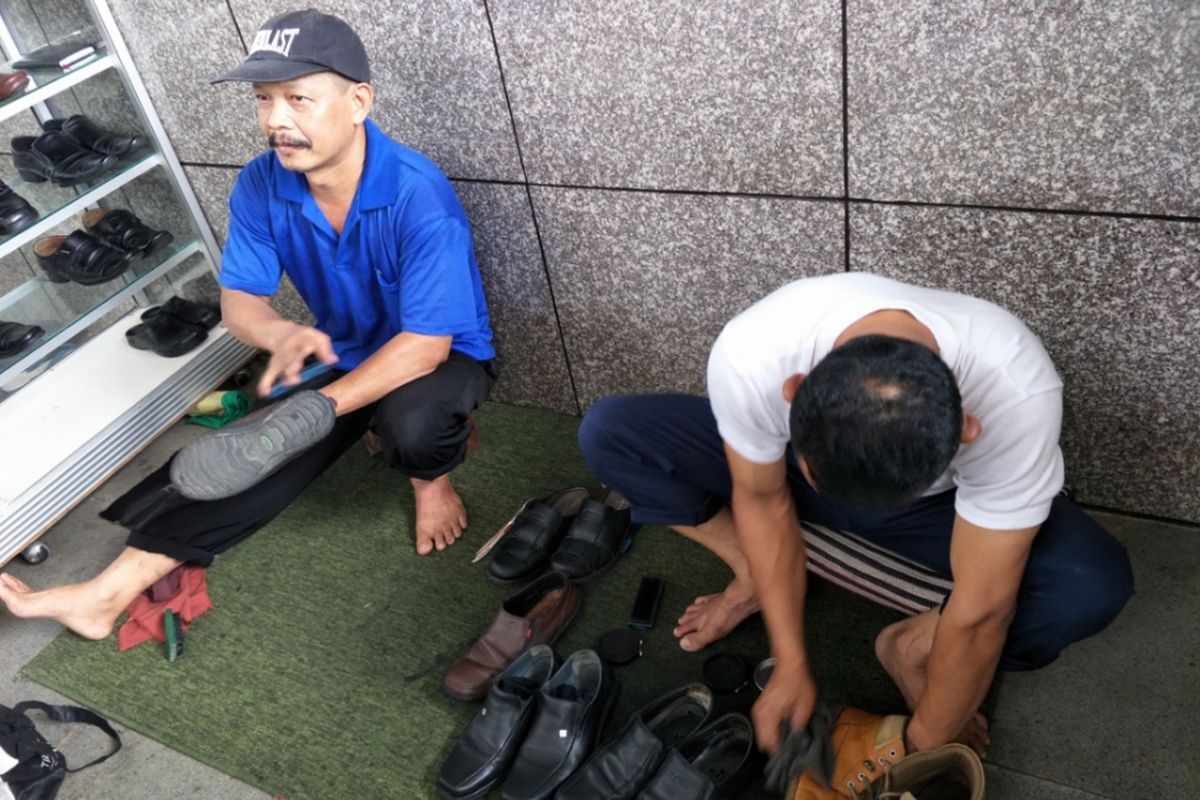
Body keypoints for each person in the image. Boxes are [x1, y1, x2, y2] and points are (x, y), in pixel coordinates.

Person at [0, 9, 496, 639]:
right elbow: (240, 304)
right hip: (340, 348)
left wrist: (314, 413)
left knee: (413, 422)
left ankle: (432, 482)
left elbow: (426, 345)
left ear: (358, 102)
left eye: (299, 99)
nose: (276, 121)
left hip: (440, 353)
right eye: (264, 100)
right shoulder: (262, 184)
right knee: (241, 454)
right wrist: (279, 335)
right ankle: (103, 596)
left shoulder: (417, 196)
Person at [578, 272, 1133, 759]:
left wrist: (920, 744)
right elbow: (764, 497)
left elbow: (984, 613)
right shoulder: (756, 351)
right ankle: (752, 571)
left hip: (938, 510)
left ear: (966, 428)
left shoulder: (1015, 391)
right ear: (794, 392)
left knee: (1089, 587)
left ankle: (907, 642)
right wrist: (790, 661)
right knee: (612, 432)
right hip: (794, 480)